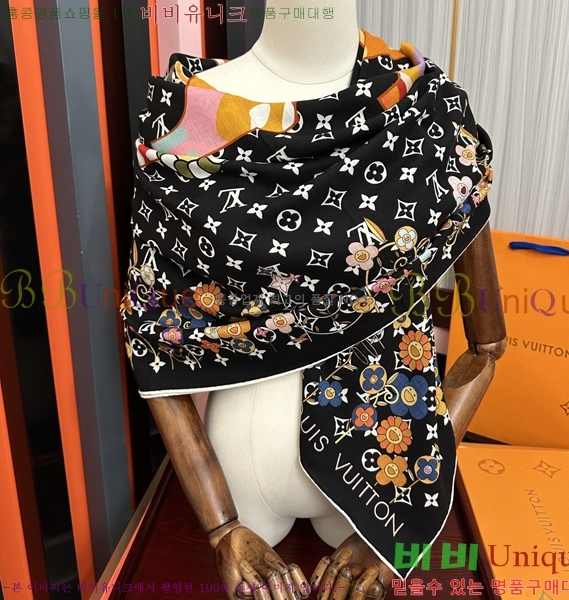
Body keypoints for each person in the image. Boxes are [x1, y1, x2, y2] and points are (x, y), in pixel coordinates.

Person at [121, 1, 502, 597]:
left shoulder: (432, 118)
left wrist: (409, 497)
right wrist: (223, 527)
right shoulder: (185, 123)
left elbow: (486, 347)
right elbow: (151, 337)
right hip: (244, 461)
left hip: (388, 449)